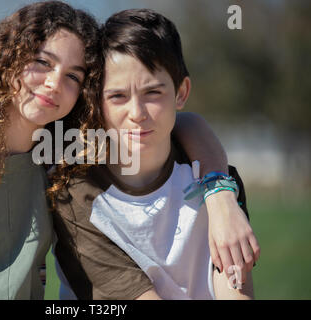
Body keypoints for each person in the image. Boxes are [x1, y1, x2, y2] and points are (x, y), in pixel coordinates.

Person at [0, 1, 256, 300]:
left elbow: (183, 123)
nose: (53, 83)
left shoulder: (53, 162)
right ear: (7, 60)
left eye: (72, 76)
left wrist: (220, 193)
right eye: (41, 62)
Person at [50, 8, 257, 299]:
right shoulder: (74, 196)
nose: (137, 113)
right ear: (97, 101)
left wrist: (221, 195)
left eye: (153, 93)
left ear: (181, 93)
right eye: (117, 96)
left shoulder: (219, 185)